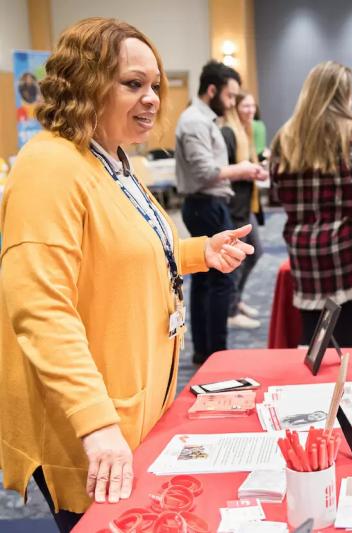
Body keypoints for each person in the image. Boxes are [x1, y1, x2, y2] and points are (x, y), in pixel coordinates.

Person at [0, 18, 255, 531]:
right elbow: (41, 308)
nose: (152, 99)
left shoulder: (114, 160)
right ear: (85, 84)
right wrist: (96, 426)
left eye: (155, 85)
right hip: (88, 425)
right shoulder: (49, 166)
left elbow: (128, 251)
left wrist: (198, 252)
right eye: (132, 84)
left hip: (134, 403)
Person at [270, 61, 352, 347]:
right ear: (344, 94)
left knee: (312, 336)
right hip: (347, 250)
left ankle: (311, 387)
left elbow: (277, 195)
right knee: (344, 333)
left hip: (303, 250)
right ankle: (338, 389)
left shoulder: (285, 137)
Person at [175, 61, 267, 365]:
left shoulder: (205, 120)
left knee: (206, 279)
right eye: (229, 96)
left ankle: (206, 352)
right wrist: (241, 170)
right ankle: (215, 353)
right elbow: (204, 172)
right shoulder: (194, 122)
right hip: (205, 204)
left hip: (208, 204)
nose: (232, 104)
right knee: (222, 278)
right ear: (212, 90)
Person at [221, 93, 265, 329]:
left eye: (252, 105)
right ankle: (230, 309)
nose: (249, 109)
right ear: (236, 108)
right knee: (237, 259)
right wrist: (248, 171)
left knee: (255, 253)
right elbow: (224, 170)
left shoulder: (246, 131)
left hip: (247, 204)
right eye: (244, 105)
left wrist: (256, 171)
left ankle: (235, 301)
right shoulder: (229, 132)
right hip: (235, 206)